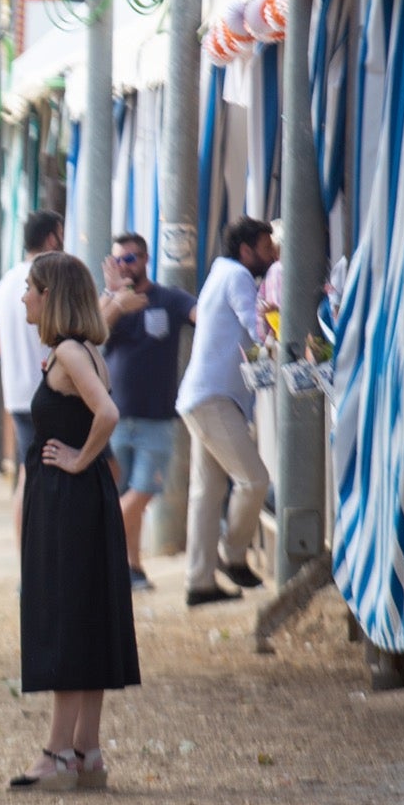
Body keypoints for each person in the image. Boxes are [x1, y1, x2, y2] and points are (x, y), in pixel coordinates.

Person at [10, 252, 139, 791]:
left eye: (31, 289)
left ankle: (58, 753)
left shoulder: (68, 351)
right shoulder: (84, 348)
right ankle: (87, 750)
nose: (24, 298)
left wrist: (79, 459)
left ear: (52, 296)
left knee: (65, 617)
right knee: (88, 617)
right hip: (81, 497)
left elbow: (107, 412)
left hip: (69, 497)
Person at [176, 217, 279, 607]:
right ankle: (233, 556)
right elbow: (257, 330)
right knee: (254, 480)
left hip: (205, 397)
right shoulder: (237, 276)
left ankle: (199, 581)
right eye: (268, 249)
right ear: (246, 250)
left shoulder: (222, 272)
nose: (273, 256)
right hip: (214, 399)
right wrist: (275, 317)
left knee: (207, 493)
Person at [99, 234, 197, 592]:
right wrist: (114, 297)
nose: (126, 265)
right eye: (120, 260)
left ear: (147, 258)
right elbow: (93, 332)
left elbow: (201, 315)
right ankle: (132, 567)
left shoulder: (168, 299)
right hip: (115, 418)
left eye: (132, 258)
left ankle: (100, 555)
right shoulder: (110, 302)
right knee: (123, 495)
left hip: (157, 419)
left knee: (141, 493)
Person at [0, 210, 63, 546]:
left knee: (26, 474)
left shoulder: (6, 282)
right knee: (40, 478)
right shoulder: (51, 277)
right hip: (49, 392)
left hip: (16, 393)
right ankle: (36, 560)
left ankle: (27, 560)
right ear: (51, 238)